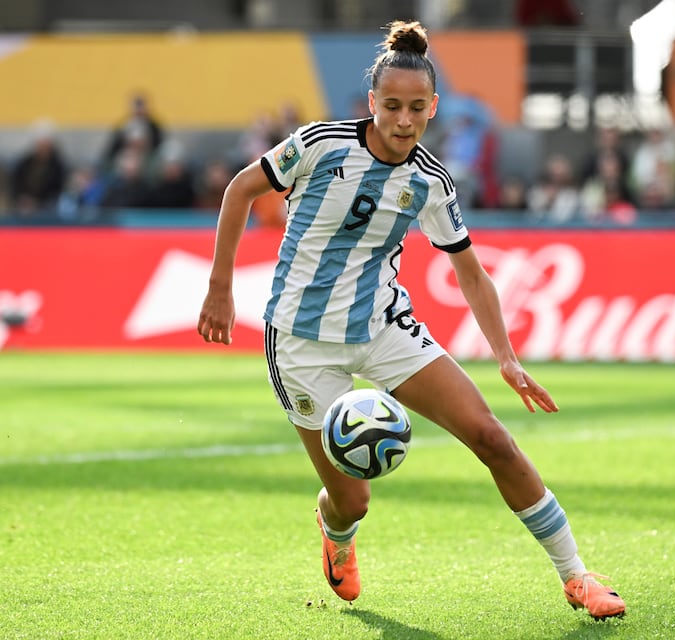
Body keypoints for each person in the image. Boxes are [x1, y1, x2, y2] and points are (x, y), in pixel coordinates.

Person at [196, 20, 625, 620]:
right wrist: (220, 288)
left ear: (434, 108)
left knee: (492, 438)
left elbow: (471, 273)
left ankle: (577, 577)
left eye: (416, 108)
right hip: (300, 341)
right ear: (372, 103)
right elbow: (241, 189)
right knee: (354, 500)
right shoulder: (320, 144)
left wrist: (506, 356)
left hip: (383, 328)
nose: (403, 119)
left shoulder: (429, 182)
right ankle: (336, 531)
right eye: (392, 105)